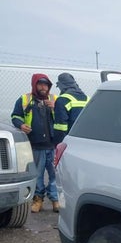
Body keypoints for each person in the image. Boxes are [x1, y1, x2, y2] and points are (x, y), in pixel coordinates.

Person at [11, 74, 58, 213]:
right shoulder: (25, 99)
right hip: (36, 145)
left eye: (46, 84)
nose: (44, 87)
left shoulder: (55, 99)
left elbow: (63, 118)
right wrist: (21, 125)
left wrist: (55, 108)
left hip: (53, 145)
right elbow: (15, 116)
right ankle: (38, 200)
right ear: (34, 85)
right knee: (37, 174)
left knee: (55, 174)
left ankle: (56, 200)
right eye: (40, 84)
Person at [53, 72, 88, 144]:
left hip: (70, 142)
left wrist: (59, 145)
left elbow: (61, 127)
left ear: (62, 85)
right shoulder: (88, 99)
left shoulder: (62, 100)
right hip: (86, 141)